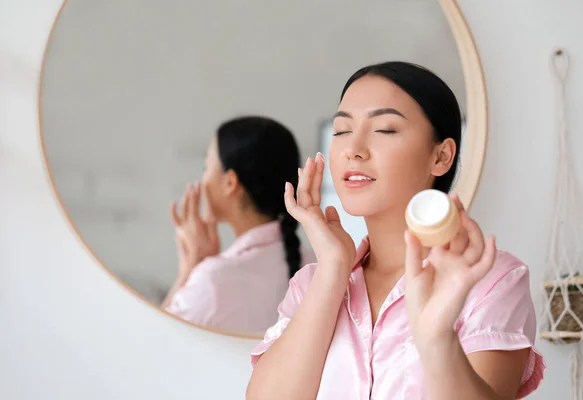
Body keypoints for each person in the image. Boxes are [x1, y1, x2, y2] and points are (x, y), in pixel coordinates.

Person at [246, 62, 545, 399]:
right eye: (342, 130)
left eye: (384, 129)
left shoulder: (489, 281)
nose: (353, 149)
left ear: (441, 156)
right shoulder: (311, 285)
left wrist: (437, 340)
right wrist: (332, 268)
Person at [161, 116, 315, 334]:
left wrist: (189, 268)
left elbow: (154, 345)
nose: (202, 179)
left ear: (230, 182)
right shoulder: (315, 265)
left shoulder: (213, 280)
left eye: (206, 167)